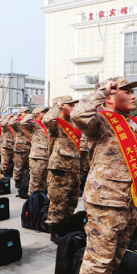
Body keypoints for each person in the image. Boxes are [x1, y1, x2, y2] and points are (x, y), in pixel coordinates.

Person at [72, 76, 137, 274]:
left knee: (117, 251)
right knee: (99, 252)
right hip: (105, 198)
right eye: (127, 90)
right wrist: (102, 91)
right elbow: (79, 115)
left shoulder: (130, 123)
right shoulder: (100, 120)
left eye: (135, 91)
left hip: (128, 197)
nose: (134, 95)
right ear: (111, 96)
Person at [43, 95, 81, 244]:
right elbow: (47, 120)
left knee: (71, 201)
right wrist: (57, 107)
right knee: (58, 200)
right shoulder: (55, 123)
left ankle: (65, 226)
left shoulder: (73, 122)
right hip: (60, 168)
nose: (73, 107)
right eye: (70, 105)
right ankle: (54, 230)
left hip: (74, 168)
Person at [20, 107, 50, 194]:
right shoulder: (33, 125)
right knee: (35, 182)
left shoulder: (47, 125)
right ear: (38, 113)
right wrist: (33, 114)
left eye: (46, 112)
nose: (46, 113)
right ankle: (33, 203)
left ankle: (41, 202)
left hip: (48, 155)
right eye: (43, 112)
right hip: (37, 157)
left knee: (44, 183)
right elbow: (23, 122)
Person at [8, 107, 31, 189]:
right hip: (20, 148)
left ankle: (23, 182)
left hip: (28, 147)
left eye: (27, 112)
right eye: (25, 112)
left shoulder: (28, 123)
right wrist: (17, 115)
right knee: (18, 166)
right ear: (21, 113)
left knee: (25, 166)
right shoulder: (17, 123)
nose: (27, 113)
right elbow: (11, 122)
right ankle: (17, 181)